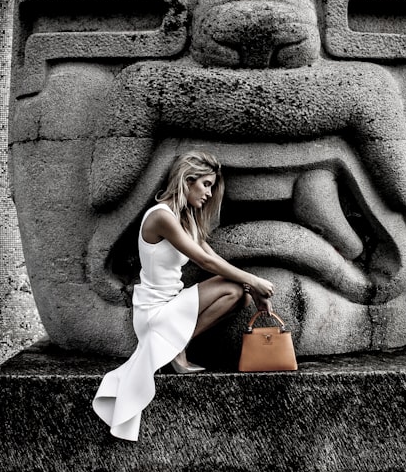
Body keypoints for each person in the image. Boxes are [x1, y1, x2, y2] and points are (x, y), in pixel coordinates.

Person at [92, 150, 275, 441]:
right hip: (154, 311)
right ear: (187, 180)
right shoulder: (161, 217)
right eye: (205, 184)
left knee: (240, 295)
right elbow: (207, 264)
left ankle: (176, 345)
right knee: (233, 287)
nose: (209, 192)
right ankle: (176, 348)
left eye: (211, 186)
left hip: (173, 307)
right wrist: (254, 280)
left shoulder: (185, 217)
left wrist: (252, 289)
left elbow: (212, 256)